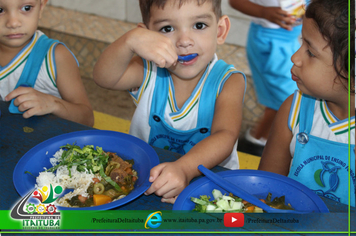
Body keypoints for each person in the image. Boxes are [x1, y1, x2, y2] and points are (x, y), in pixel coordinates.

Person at [93, 0, 246, 203]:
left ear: (220, 31)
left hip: (211, 189)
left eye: (199, 25)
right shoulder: (148, 70)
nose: (184, 41)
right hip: (146, 183)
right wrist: (129, 41)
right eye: (167, 28)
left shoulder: (228, 81)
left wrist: (184, 169)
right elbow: (104, 77)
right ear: (146, 35)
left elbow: (225, 136)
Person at [258, 0, 355, 206]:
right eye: (301, 43)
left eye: (310, 53)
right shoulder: (294, 109)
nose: (295, 58)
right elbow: (267, 189)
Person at [0, 0, 94, 126]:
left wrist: (53, 104)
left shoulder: (56, 56)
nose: (13, 23)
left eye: (27, 8)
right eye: (0, 10)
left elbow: (87, 119)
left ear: (41, 7)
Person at [229, 0, 303, 147]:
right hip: (270, 43)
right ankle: (257, 143)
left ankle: (258, 139)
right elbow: (235, 2)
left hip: (290, 41)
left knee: (282, 101)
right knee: (287, 100)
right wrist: (263, 12)